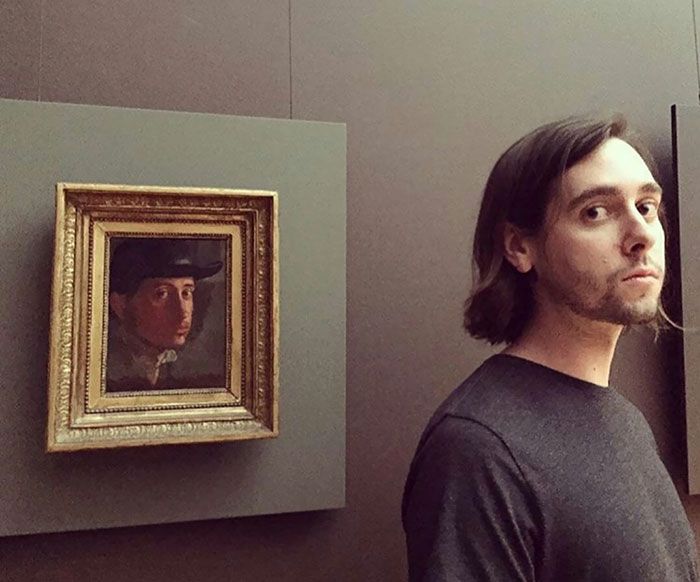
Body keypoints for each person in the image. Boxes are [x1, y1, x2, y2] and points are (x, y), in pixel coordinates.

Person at [402, 115, 699, 581]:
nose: (641, 234)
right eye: (595, 212)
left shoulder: (626, 422)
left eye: (646, 207)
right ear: (520, 247)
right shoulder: (478, 448)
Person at [106, 237, 223, 392]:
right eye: (162, 294)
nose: (182, 312)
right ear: (120, 305)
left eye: (186, 292)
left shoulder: (194, 368)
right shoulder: (104, 368)